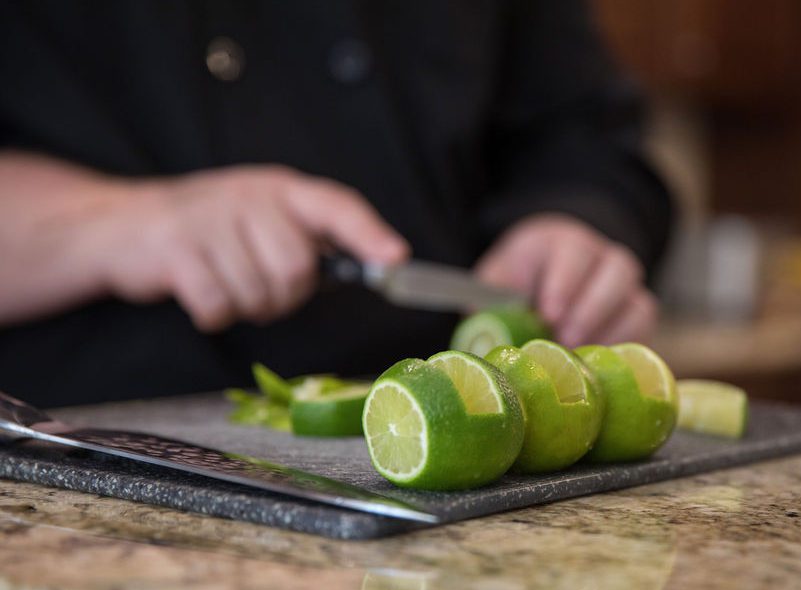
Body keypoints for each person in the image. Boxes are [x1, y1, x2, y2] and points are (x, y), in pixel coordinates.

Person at [0, 1, 672, 407]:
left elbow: (585, 136)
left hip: (445, 481)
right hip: (74, 495)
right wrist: (124, 224)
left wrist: (572, 223)